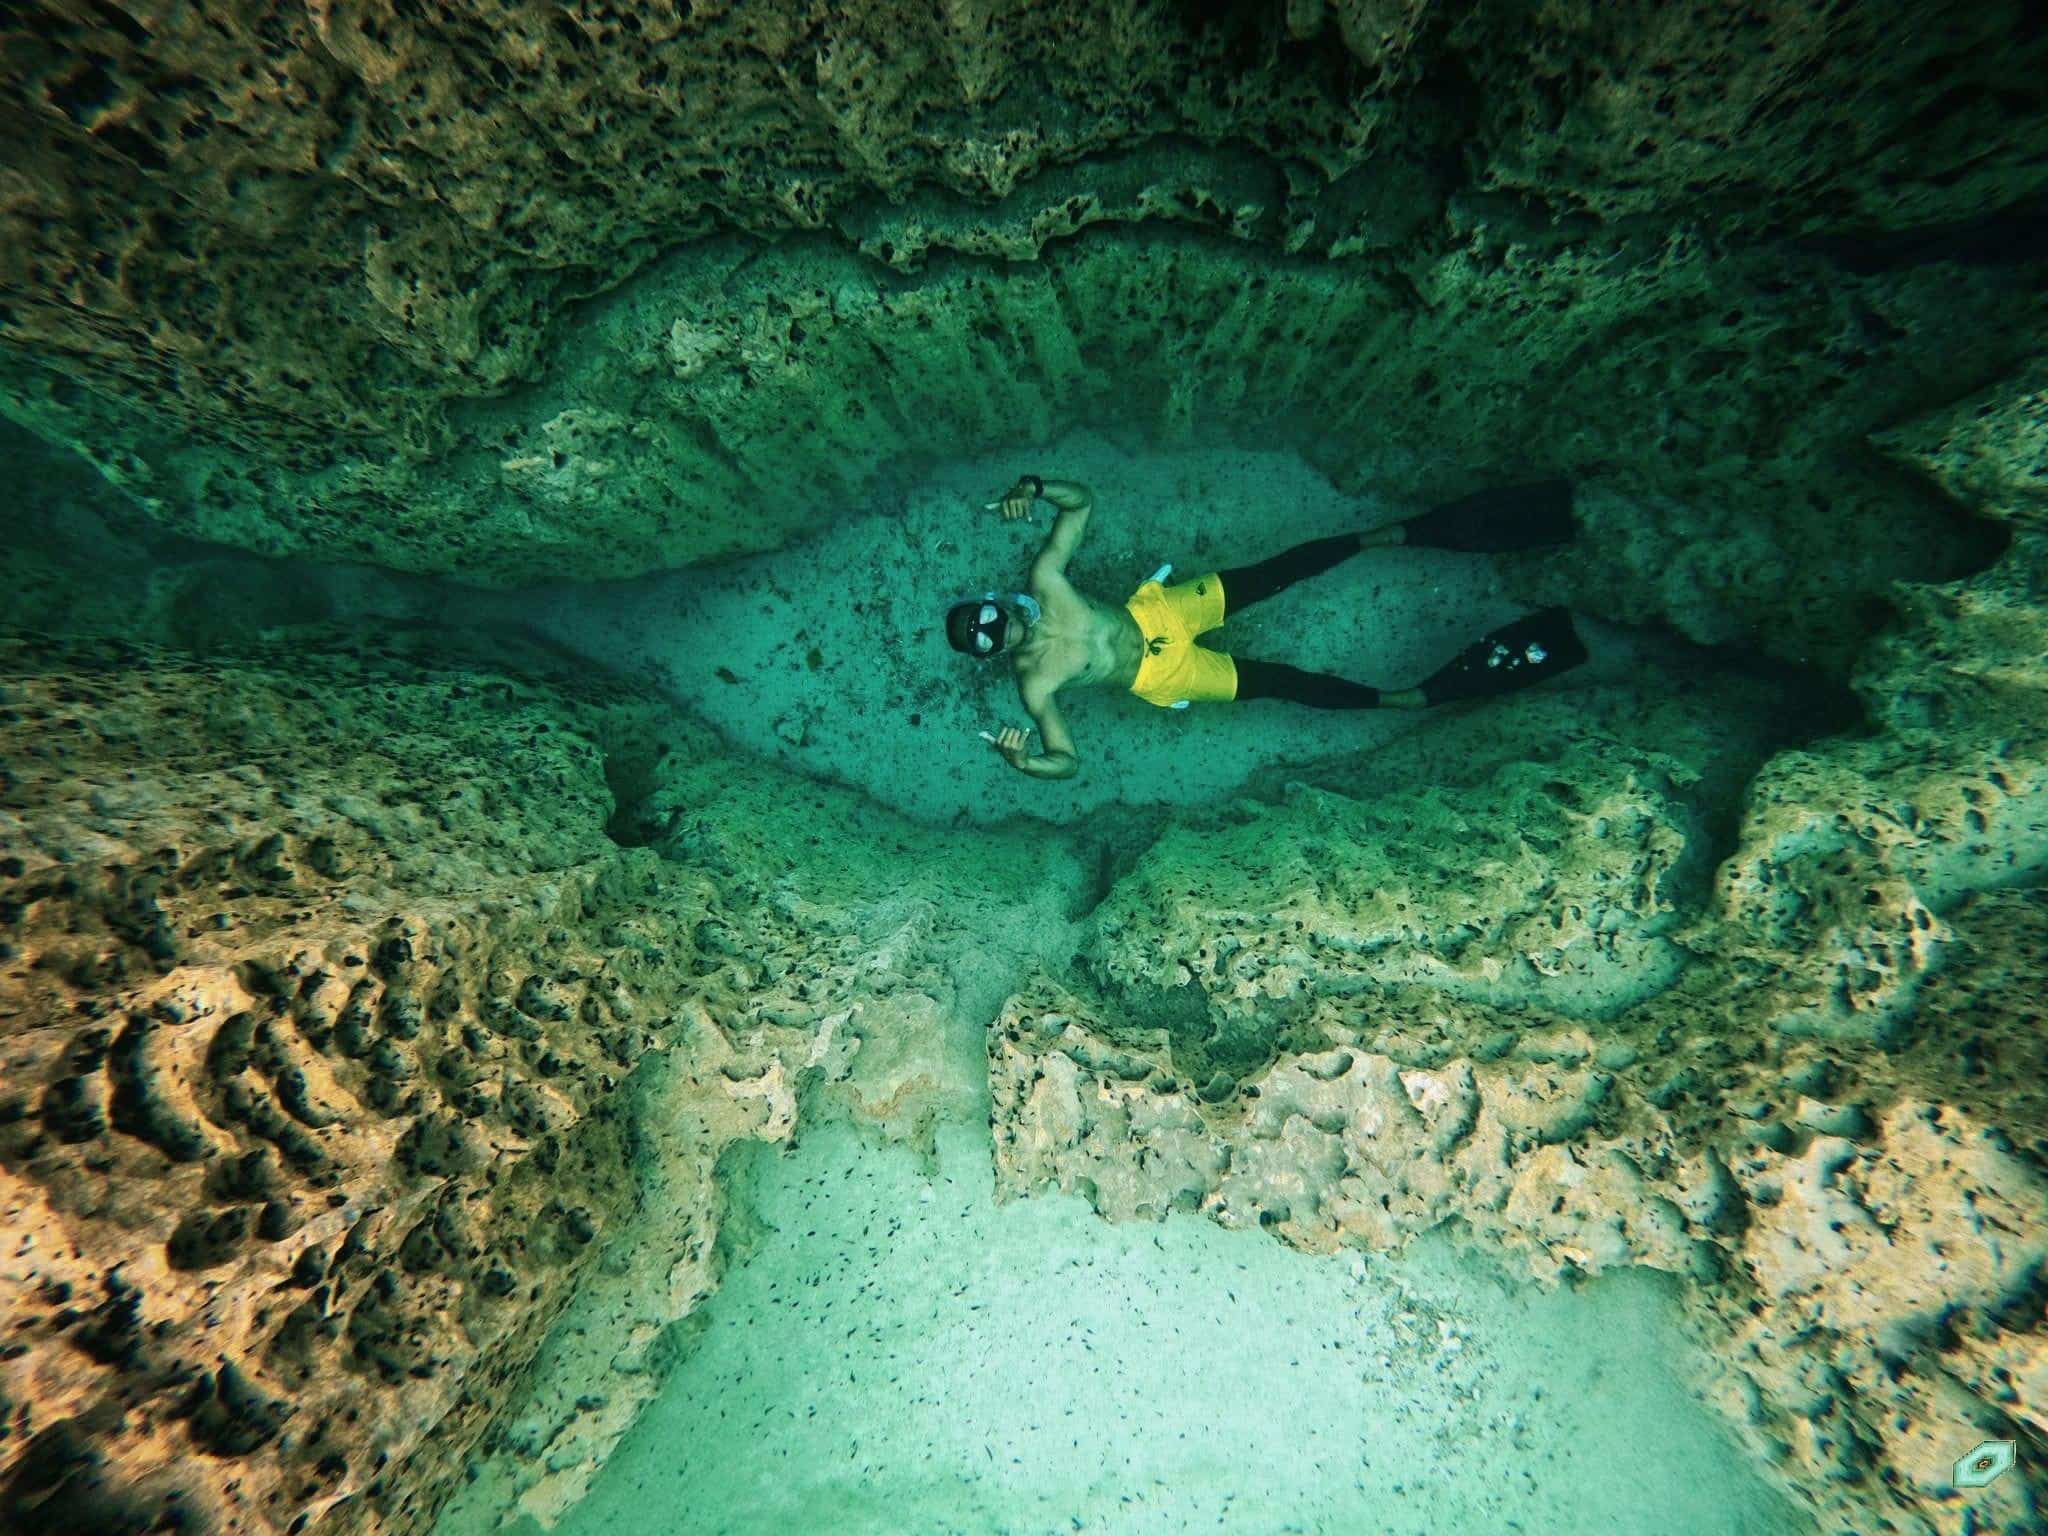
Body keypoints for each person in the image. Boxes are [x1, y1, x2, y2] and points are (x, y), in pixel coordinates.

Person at [946, 475, 1587, 780]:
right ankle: (1407, 697)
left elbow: (1081, 501)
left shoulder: (1046, 581)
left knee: (1278, 571)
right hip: (1158, 671)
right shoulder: (1034, 688)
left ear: (991, 603)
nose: (995, 631)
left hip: (1160, 612)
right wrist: (1025, 763)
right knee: (1283, 681)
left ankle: (1395, 536)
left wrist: (1032, 486)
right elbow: (1068, 760)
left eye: (986, 618)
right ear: (988, 656)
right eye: (985, 640)